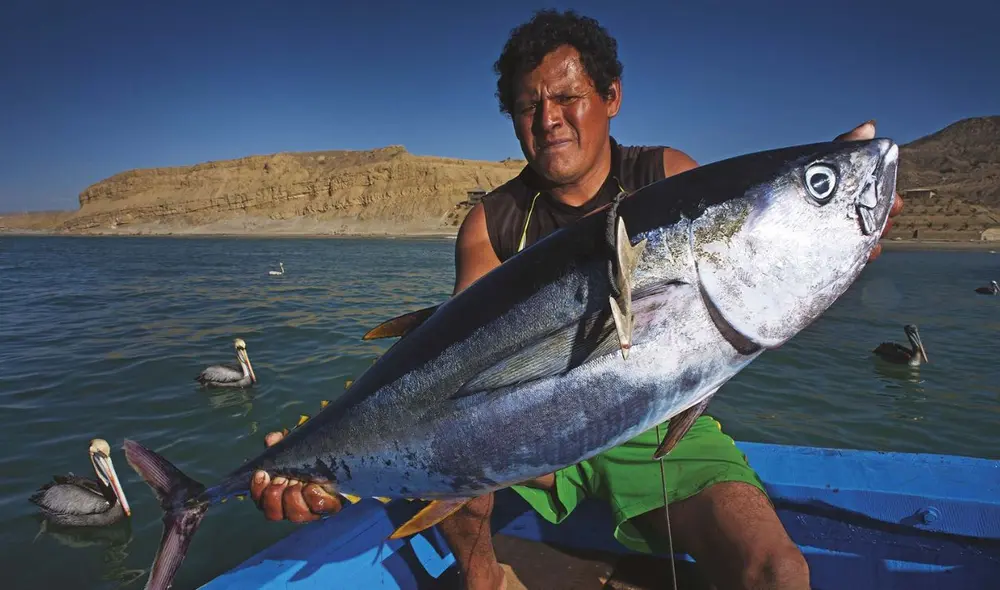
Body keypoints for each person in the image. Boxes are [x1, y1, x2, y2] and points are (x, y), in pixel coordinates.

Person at [249, 9, 903, 590]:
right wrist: (317, 461)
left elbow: (755, 272)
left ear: (610, 96)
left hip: (657, 431)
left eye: (568, 97)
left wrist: (832, 235)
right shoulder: (492, 221)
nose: (549, 120)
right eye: (528, 107)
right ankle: (485, 580)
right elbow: (453, 371)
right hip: (524, 431)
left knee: (779, 572)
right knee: (458, 480)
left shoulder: (668, 176)